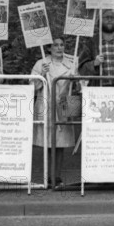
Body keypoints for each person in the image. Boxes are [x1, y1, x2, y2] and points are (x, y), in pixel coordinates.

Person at [31, 36, 76, 187]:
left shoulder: (71, 64)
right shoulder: (41, 63)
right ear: (50, 48)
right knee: (48, 143)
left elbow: (79, 87)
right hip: (46, 105)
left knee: (61, 143)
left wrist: (76, 79)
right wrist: (41, 75)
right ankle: (48, 175)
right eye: (55, 45)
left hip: (63, 105)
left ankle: (57, 176)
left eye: (61, 45)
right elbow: (32, 86)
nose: (59, 48)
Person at [78, 9, 114, 87]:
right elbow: (82, 70)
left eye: (112, 17)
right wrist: (94, 64)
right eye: (106, 17)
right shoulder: (92, 42)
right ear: (100, 20)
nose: (109, 20)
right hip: (99, 91)